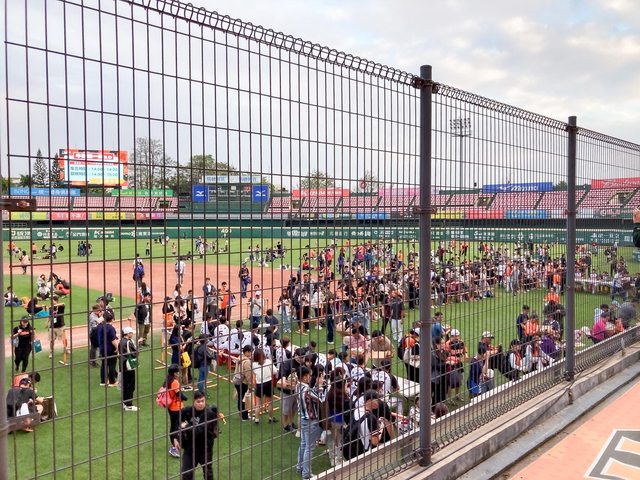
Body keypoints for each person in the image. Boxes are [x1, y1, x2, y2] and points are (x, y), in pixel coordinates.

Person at [179, 391, 223, 480]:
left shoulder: (209, 414)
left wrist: (186, 426)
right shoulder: (188, 411)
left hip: (205, 448)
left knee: (208, 474)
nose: (201, 403)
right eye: (198, 401)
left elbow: (199, 430)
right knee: (186, 474)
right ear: (193, 402)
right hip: (190, 448)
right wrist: (176, 438)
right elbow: (177, 422)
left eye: (202, 401)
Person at [296, 366, 326, 480]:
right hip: (311, 421)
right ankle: (306, 474)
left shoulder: (297, 386)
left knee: (303, 444)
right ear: (304, 377)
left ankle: (299, 467)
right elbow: (320, 400)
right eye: (309, 375)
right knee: (309, 447)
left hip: (303, 419)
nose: (310, 377)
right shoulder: (307, 390)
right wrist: (320, 386)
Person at [165, 364, 185, 458]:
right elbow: (179, 395)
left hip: (171, 407)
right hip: (176, 407)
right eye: (178, 372)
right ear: (175, 373)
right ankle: (174, 447)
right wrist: (185, 397)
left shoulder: (168, 380)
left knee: (175, 426)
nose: (179, 373)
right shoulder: (175, 382)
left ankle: (176, 444)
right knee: (176, 427)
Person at [252, 348, 275, 424]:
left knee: (258, 404)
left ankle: (257, 419)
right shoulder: (268, 361)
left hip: (259, 384)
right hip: (268, 382)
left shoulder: (254, 364)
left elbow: (254, 372)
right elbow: (274, 371)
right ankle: (271, 418)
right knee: (270, 402)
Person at [97, 310, 119, 387]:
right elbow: (113, 340)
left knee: (104, 364)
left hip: (102, 348)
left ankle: (103, 381)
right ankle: (112, 382)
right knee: (112, 365)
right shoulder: (110, 328)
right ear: (112, 319)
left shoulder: (100, 326)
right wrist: (117, 348)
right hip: (110, 349)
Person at [119, 326, 138, 411]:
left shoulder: (121, 341)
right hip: (128, 366)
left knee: (125, 385)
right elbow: (135, 354)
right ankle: (129, 405)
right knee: (130, 385)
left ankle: (124, 403)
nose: (132, 334)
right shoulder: (128, 342)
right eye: (131, 333)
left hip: (123, 365)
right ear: (128, 334)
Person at [233, 345, 253, 421]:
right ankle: (244, 416)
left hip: (237, 380)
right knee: (244, 400)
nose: (251, 354)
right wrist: (250, 385)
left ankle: (241, 413)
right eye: (250, 352)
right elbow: (248, 375)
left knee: (240, 398)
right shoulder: (247, 362)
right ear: (247, 352)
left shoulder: (239, 357)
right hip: (243, 382)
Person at [47, 296, 69, 365]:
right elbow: (50, 316)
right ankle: (51, 352)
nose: (51, 302)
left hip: (61, 326)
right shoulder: (50, 308)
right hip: (52, 327)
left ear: (56, 300)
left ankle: (66, 349)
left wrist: (55, 305)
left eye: (52, 300)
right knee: (51, 340)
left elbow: (63, 303)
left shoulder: (60, 307)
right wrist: (47, 322)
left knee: (64, 339)